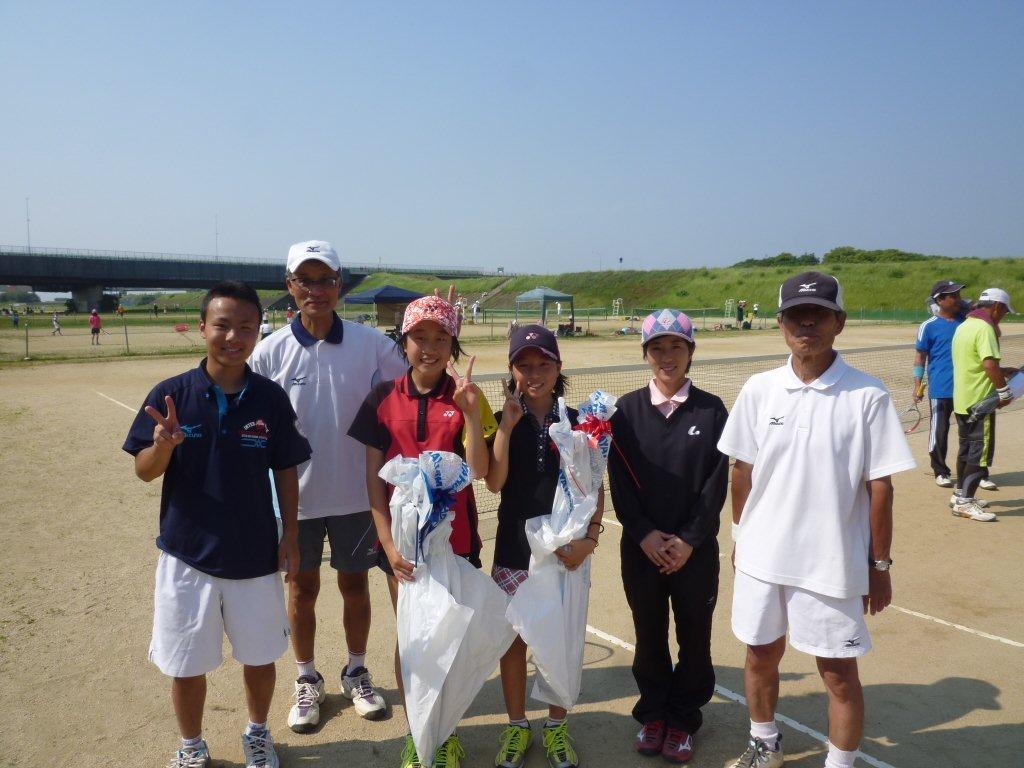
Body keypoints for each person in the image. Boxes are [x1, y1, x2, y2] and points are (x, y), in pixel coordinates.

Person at [717, 272, 915, 768]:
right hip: (762, 557)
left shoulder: (868, 395)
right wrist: (740, 535)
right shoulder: (759, 389)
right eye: (795, 316)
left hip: (831, 562)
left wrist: (879, 564)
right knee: (760, 655)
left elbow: (881, 488)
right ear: (780, 323)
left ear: (839, 322)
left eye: (818, 315)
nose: (806, 324)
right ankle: (764, 745)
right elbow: (741, 471)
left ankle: (839, 764)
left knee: (838, 673)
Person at [122, 281, 312, 768]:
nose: (233, 337)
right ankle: (191, 745)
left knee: (260, 657)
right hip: (187, 555)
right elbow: (144, 472)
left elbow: (286, 469)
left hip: (255, 554)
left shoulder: (270, 398)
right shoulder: (172, 394)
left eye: (246, 327)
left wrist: (290, 535)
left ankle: (258, 734)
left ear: (258, 331)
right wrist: (162, 446)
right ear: (202, 327)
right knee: (186, 665)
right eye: (222, 325)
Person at [249, 240, 406, 732]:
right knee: (302, 589)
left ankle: (356, 670)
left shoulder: (373, 345)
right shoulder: (268, 352)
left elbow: (411, 391)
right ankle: (307, 677)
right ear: (289, 285)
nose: (316, 290)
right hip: (293, 501)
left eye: (326, 280)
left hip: (359, 497)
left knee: (355, 586)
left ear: (339, 285)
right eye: (305, 280)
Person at [349, 294, 497, 768]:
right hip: (402, 548)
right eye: (419, 337)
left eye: (440, 338)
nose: (429, 347)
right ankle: (417, 732)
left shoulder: (469, 396)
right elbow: (373, 480)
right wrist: (388, 544)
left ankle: (446, 732)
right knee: (412, 638)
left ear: (453, 345)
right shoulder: (381, 397)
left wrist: (470, 412)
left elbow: (479, 471)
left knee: (449, 639)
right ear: (404, 341)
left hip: (455, 543)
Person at [607, 310, 728, 764]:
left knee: (694, 636)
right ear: (645, 354)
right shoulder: (624, 411)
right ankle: (654, 714)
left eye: (676, 345)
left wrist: (690, 539)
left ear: (691, 351)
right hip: (642, 550)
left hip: (694, 552)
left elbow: (717, 483)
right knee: (649, 634)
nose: (667, 355)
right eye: (657, 347)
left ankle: (682, 720)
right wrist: (643, 534)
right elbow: (618, 480)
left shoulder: (712, 410)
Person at [486, 324, 603, 768]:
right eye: (524, 365)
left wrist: (590, 539)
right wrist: (505, 426)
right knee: (513, 641)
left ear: (558, 368)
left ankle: (556, 726)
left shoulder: (581, 422)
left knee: (560, 640)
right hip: (514, 548)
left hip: (565, 552)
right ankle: (517, 725)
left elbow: (595, 486)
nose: (534, 373)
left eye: (543, 364)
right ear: (512, 370)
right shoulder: (503, 420)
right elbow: (494, 483)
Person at [949, 288, 1018, 522]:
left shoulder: (964, 326)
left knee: (966, 450)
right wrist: (1004, 392)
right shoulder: (985, 328)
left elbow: (975, 364)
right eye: (1005, 312)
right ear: (997, 306)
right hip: (981, 402)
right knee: (979, 455)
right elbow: (989, 365)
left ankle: (959, 494)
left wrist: (1003, 371)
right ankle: (965, 503)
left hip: (963, 400)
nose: (1003, 317)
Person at [912, 280, 967, 488]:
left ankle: (971, 472)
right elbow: (920, 358)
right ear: (940, 300)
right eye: (953, 295)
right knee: (939, 432)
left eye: (958, 294)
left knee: (969, 433)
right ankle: (940, 471)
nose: (958, 299)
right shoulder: (928, 326)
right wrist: (917, 385)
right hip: (940, 388)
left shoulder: (967, 322)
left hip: (966, 388)